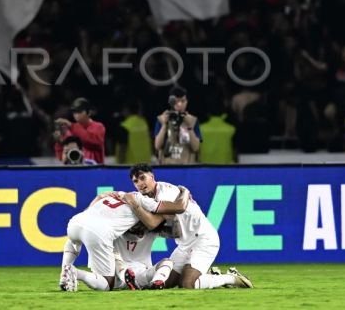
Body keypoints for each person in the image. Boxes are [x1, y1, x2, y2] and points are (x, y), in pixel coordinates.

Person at [122, 164, 252, 290]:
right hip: (184, 245)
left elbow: (177, 209)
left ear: (152, 176)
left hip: (203, 239)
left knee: (188, 283)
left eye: (142, 178)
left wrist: (185, 191)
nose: (140, 183)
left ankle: (230, 278)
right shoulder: (145, 197)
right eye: (135, 181)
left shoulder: (165, 192)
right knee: (164, 282)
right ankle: (209, 276)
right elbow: (122, 195)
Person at [58, 190, 167, 292]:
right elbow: (155, 220)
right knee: (106, 284)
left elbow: (93, 210)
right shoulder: (145, 203)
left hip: (76, 221)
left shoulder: (118, 195)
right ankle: (76, 273)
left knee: (74, 241)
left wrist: (99, 197)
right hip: (99, 231)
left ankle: (64, 272)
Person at [153, 85, 202, 165]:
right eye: (176, 101)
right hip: (166, 167)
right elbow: (157, 146)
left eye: (183, 101)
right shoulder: (161, 119)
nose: (179, 104)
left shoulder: (193, 121)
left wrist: (189, 127)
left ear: (187, 102)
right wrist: (164, 125)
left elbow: (195, 148)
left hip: (186, 168)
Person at [54, 97, 106, 164]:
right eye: (74, 112)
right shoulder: (70, 130)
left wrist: (71, 126)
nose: (76, 115)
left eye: (79, 111)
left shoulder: (99, 127)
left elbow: (93, 142)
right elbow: (62, 158)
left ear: (89, 113)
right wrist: (59, 143)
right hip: (76, 172)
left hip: (94, 171)